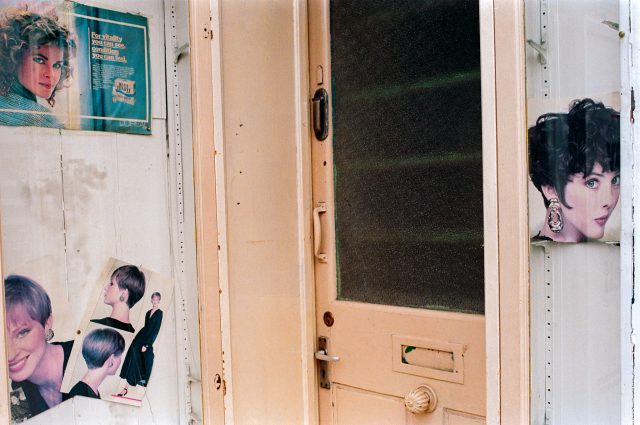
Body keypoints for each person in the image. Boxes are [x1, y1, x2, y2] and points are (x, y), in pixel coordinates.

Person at [529, 98, 620, 242]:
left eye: (616, 180)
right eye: (592, 183)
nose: (608, 200)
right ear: (551, 189)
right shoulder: (527, 257)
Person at [4, 274, 73, 422]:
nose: (9, 354)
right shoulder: (16, 393)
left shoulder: (84, 352)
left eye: (22, 332)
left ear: (47, 323)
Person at [0, 8, 76, 128]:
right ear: (14, 57)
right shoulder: (45, 121)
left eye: (57, 65)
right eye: (39, 60)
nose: (50, 74)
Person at [117, 292, 163, 397]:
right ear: (151, 300)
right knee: (133, 357)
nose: (155, 301)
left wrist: (147, 345)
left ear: (159, 301)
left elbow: (155, 330)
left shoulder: (160, 313)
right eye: (153, 299)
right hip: (140, 336)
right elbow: (146, 327)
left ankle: (131, 388)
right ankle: (125, 388)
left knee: (144, 362)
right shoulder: (147, 312)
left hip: (147, 340)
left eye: (157, 300)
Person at [69, 328, 125, 399]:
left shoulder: (86, 390)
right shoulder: (82, 396)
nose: (120, 360)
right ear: (111, 359)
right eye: (120, 355)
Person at [91, 265, 146, 333]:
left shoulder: (93, 326)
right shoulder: (133, 334)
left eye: (111, 283)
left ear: (124, 293)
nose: (105, 287)